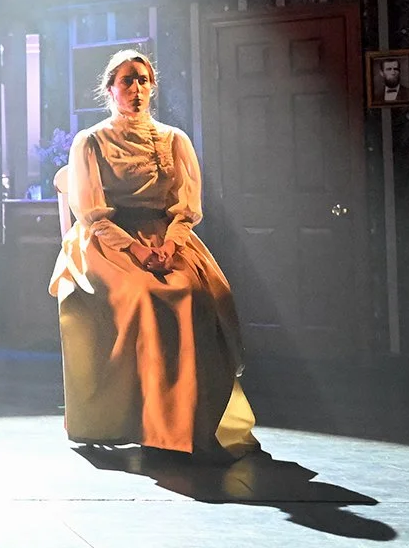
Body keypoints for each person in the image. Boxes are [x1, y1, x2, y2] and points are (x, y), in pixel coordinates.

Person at [49, 49, 258, 461]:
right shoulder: (90, 141)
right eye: (127, 80)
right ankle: (150, 423)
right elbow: (91, 213)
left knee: (196, 295)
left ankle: (189, 422)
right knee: (144, 296)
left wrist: (170, 243)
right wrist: (135, 249)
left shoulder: (174, 139)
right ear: (110, 89)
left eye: (143, 80)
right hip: (106, 241)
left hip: (165, 239)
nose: (136, 89)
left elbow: (187, 206)